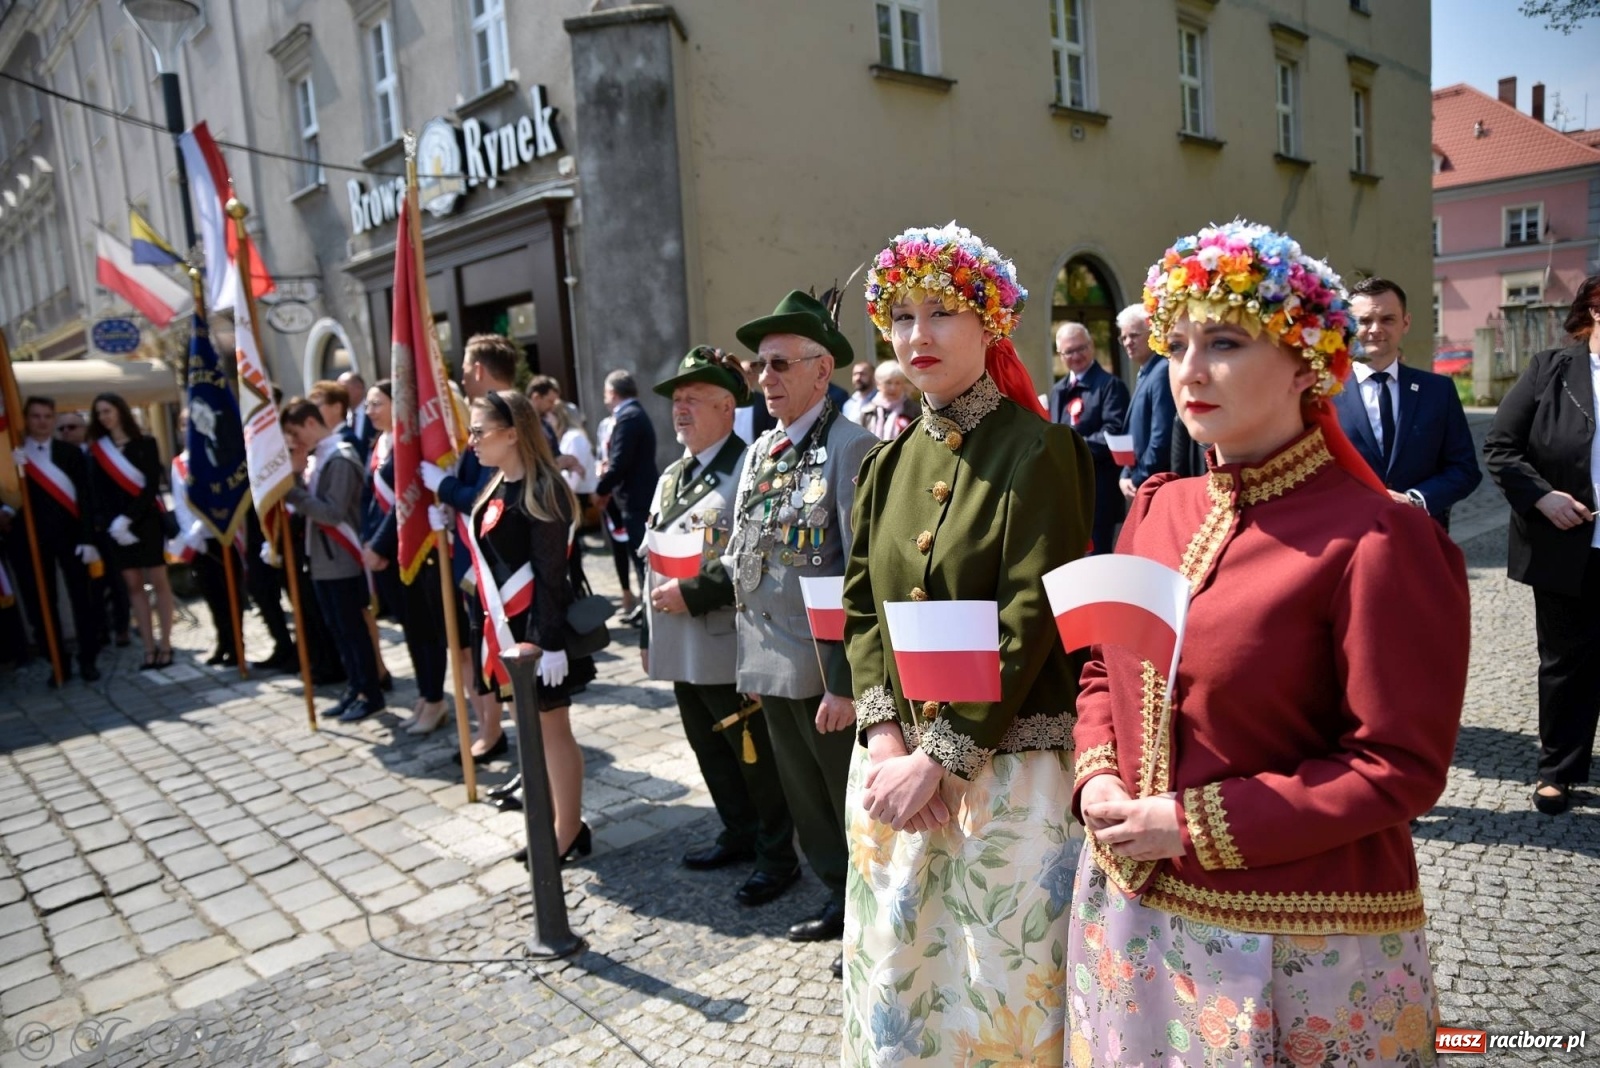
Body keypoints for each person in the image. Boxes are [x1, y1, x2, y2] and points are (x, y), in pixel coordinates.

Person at [1068, 221, 1470, 1066]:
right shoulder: (1155, 510)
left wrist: (1190, 823)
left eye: (1224, 341)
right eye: (1176, 343)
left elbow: (1397, 763)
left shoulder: (1379, 539)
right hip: (1134, 912)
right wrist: (1099, 769)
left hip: (1295, 940)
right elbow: (1105, 665)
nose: (1188, 368)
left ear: (1307, 363)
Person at [842, 223, 1094, 1061]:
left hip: (1005, 772)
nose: (918, 335)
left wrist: (942, 757)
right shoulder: (884, 465)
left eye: (942, 312)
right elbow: (863, 612)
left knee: (996, 987)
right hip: (893, 766)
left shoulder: (1038, 448)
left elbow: (1034, 617)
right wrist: (887, 740)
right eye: (902, 316)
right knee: (905, 973)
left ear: (991, 323)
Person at [726, 289, 877, 979]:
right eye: (762, 367)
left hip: (825, 672)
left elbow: (861, 569)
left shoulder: (852, 448)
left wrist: (846, 682)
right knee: (807, 805)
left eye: (782, 365)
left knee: (848, 805)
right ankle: (839, 901)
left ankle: (871, 921)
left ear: (824, 370)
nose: (768, 380)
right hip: (771, 662)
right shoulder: (762, 452)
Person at [642, 346, 799, 906]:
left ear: (726, 407)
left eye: (692, 401)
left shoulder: (748, 467)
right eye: (676, 402)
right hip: (680, 643)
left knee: (752, 756)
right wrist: (645, 631)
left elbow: (756, 554)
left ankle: (777, 857)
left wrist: (694, 590)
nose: (680, 411)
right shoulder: (672, 475)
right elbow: (653, 553)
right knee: (711, 753)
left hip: (727, 640)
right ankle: (738, 833)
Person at [463, 390, 597, 866]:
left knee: (553, 730)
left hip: (539, 634)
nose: (471, 440)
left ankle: (567, 829)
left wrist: (549, 642)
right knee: (531, 732)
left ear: (511, 433)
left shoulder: (545, 490)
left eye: (479, 431)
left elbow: (551, 577)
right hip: (505, 630)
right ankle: (553, 823)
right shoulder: (496, 485)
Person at [1483, 274, 1600, 816]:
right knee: (1565, 661)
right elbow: (1502, 448)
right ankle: (1559, 770)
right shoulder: (1550, 369)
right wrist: (1544, 498)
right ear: (1595, 311)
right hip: (1568, 541)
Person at [423, 334, 517, 761]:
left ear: (478, 369)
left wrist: (442, 486)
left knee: (508, 665)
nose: (459, 375)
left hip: (504, 570)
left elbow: (489, 497)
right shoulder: (484, 418)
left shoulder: (512, 416)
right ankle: (492, 733)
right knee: (480, 655)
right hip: (473, 562)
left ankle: (515, 750)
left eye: (463, 366)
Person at [1334, 277, 1482, 528]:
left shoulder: (1438, 390)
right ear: (1348, 326)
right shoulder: (1325, 392)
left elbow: (1464, 469)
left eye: (1387, 319)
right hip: (1348, 534)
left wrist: (1415, 500)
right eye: (1365, 320)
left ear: (1406, 323)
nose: (1375, 329)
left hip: (1419, 534)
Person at [281, 399, 384, 721]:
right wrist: (296, 476)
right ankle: (355, 687)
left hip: (342, 559)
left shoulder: (339, 458)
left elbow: (332, 512)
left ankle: (371, 691)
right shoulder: (319, 457)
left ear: (311, 423)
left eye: (296, 433)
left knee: (352, 630)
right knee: (338, 629)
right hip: (324, 560)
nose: (296, 442)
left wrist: (292, 491)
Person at [361, 380, 450, 735]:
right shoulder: (379, 443)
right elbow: (373, 501)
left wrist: (379, 547)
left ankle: (435, 699)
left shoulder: (406, 445)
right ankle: (425, 696)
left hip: (407, 548)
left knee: (423, 629)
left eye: (376, 403)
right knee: (410, 630)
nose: (370, 411)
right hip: (383, 552)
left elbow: (406, 502)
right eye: (368, 404)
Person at [4, 396, 101, 681]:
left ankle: (87, 659)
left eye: (48, 416)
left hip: (71, 538)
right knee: (41, 604)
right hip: (31, 542)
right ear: (26, 418)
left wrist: (88, 538)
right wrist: (12, 475)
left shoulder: (69, 453)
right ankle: (58, 661)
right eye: (36, 416)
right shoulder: (14, 454)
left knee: (81, 600)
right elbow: (9, 499)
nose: (42, 422)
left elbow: (85, 497)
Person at [87, 392, 175, 671]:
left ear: (120, 411)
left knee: (159, 582)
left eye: (108, 410)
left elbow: (151, 487)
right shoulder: (97, 450)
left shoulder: (146, 444)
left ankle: (166, 645)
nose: (104, 417)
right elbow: (97, 492)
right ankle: (148, 649)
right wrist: (114, 523)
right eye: (99, 413)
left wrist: (128, 518)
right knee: (134, 587)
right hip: (117, 530)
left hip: (145, 523)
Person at [1050, 323, 1130, 554]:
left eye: (1081, 348)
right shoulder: (1058, 390)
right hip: (1069, 491)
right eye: (1069, 352)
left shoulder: (1110, 386)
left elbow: (1113, 433)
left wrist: (1072, 447)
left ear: (1092, 346)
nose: (1076, 356)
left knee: (1099, 560)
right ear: (1061, 355)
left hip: (1099, 491)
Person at [169, 412, 241, 667]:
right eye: (184, 424)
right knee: (211, 594)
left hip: (220, 535)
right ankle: (223, 640)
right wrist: (190, 533)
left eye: (193, 424)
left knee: (231, 592)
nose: (188, 428)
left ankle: (236, 643)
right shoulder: (179, 463)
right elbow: (179, 502)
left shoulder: (215, 456)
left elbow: (220, 496)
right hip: (196, 541)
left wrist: (201, 527)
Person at [593, 370, 659, 626]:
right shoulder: (633, 415)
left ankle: (649, 610)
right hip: (634, 498)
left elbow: (620, 463)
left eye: (606, 394)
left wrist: (600, 490)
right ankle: (645, 607)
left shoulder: (629, 418)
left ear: (612, 393)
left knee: (641, 556)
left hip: (636, 499)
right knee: (636, 555)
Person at [1116, 304, 1176, 500]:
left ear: (1152, 333)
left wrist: (1137, 478)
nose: (1127, 342)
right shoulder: (1146, 371)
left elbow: (1161, 436)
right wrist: (1126, 473)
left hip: (1154, 485)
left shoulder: (1161, 371)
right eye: (1123, 337)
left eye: (1133, 335)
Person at [859, 360, 920, 441]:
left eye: (897, 383)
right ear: (878, 384)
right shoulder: (867, 412)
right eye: (888, 382)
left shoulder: (914, 410)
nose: (893, 388)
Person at [733, 358, 779, 445]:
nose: (744, 377)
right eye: (741, 372)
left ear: (756, 376)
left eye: (748, 373)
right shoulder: (730, 400)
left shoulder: (764, 401)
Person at [339, 370, 379, 459]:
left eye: (343, 388)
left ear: (359, 387)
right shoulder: (341, 418)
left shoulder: (375, 412)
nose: (340, 393)